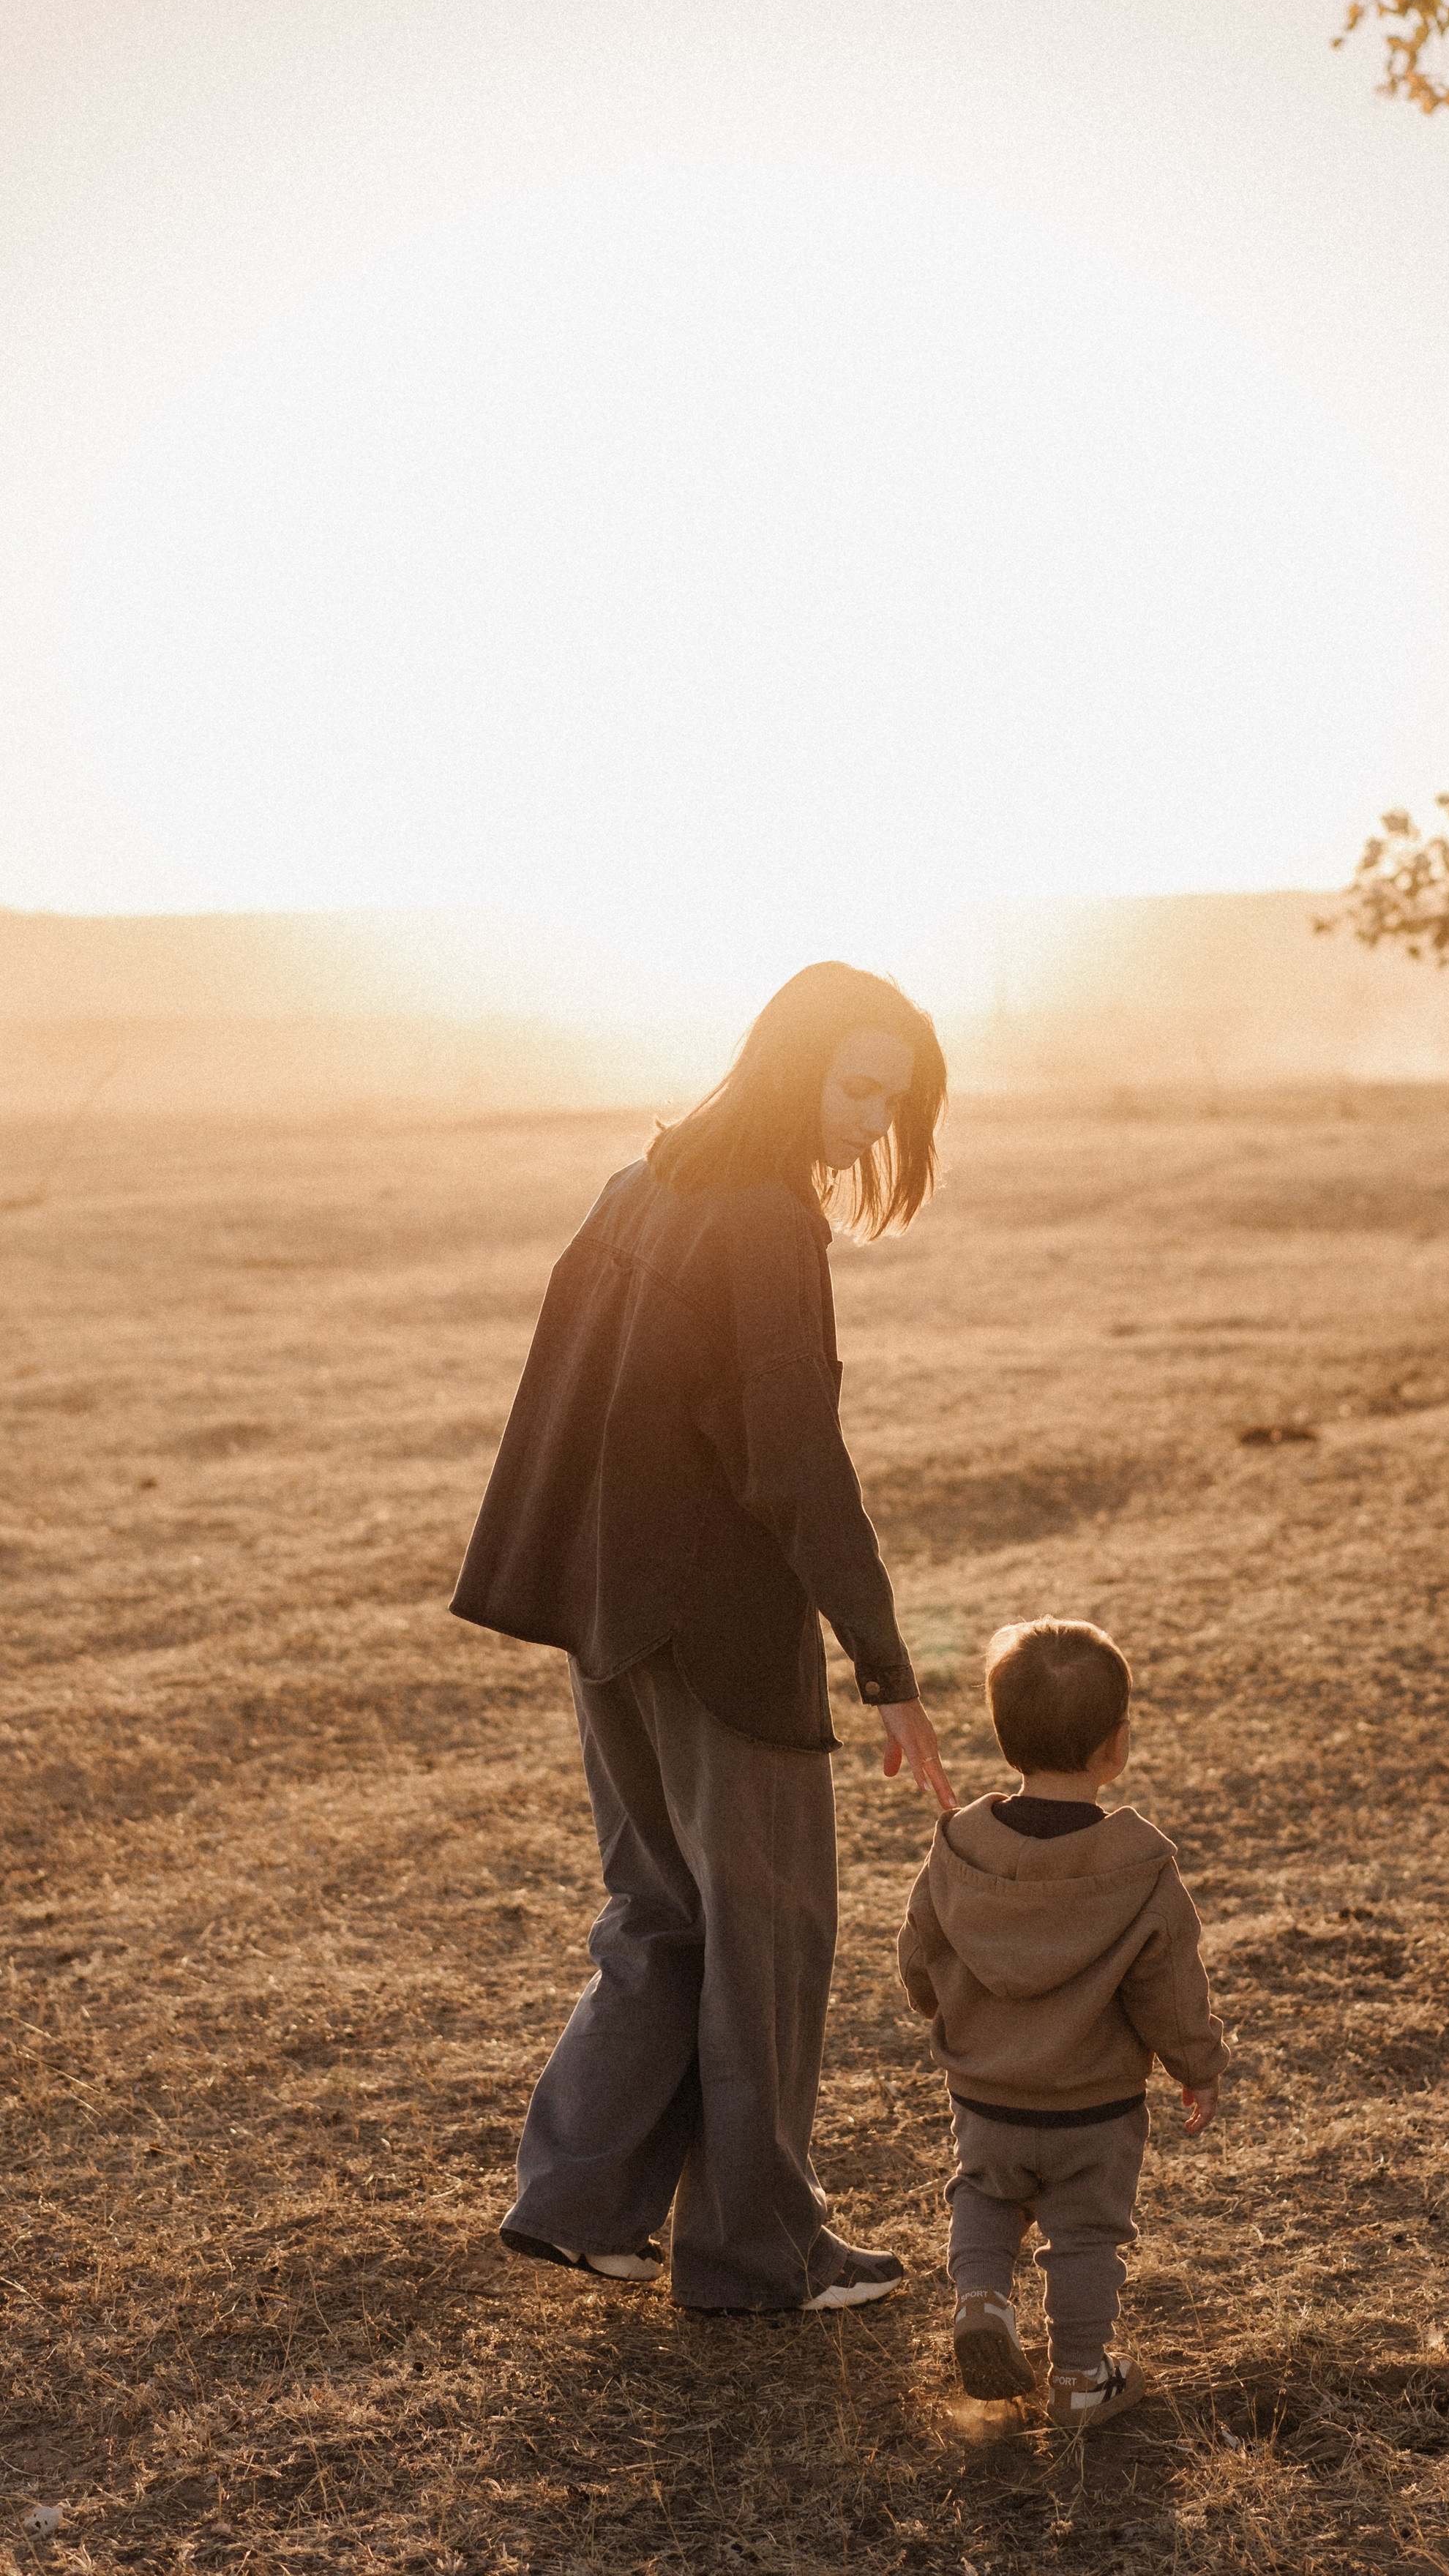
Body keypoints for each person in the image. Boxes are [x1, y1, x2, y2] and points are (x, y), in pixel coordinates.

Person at [452, 962, 957, 2313]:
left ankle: (580, 2205)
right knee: (767, 1935)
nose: (871, 1122)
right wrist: (887, 1669)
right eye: (859, 1088)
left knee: (663, 1911)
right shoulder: (764, 1223)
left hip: (608, 1618)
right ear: (794, 1066)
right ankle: (756, 2254)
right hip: (717, 1636)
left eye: (894, 1101)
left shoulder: (641, 1185)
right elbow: (796, 1464)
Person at [897, 1617, 1226, 2427]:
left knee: (983, 2196)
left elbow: (919, 1948)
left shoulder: (959, 1848)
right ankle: (1080, 2375)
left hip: (987, 2095)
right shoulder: (1138, 1868)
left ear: (1005, 1737)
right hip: (1094, 2109)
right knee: (1084, 2235)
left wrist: (940, 2007)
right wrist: (1198, 2066)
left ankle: (982, 2300)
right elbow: (1170, 1990)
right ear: (1116, 1746)